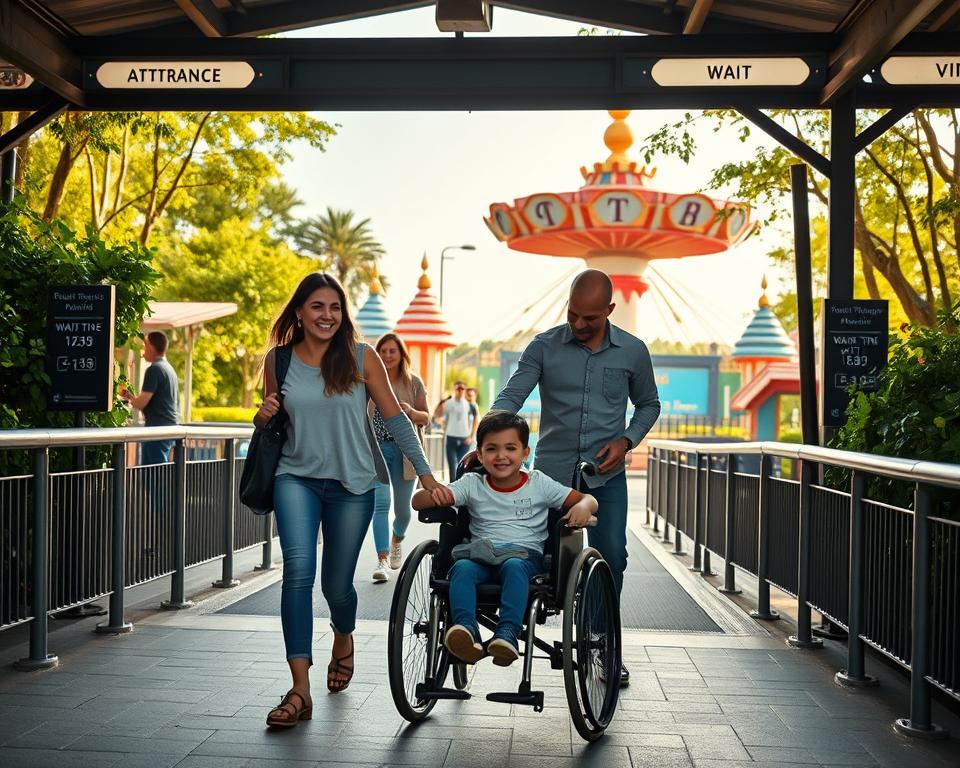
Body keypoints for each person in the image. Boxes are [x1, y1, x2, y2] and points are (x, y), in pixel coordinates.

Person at [255, 273, 441, 728]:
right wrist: (261, 415)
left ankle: (344, 634)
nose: (327, 316)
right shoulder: (277, 361)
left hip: (354, 485)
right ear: (299, 311)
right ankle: (299, 690)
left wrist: (427, 475)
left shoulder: (362, 358)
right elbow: (272, 420)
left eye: (335, 307)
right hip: (293, 477)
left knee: (336, 586)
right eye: (317, 307)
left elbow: (397, 421)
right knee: (298, 571)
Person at [491, 269, 661, 687]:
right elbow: (512, 396)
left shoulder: (633, 351)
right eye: (573, 315)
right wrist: (489, 437)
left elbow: (649, 404)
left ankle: (602, 642)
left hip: (607, 477)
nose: (580, 325)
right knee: (543, 559)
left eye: (590, 318)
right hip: (552, 476)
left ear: (609, 310)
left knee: (613, 557)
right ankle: (520, 627)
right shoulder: (544, 347)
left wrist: (626, 441)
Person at [413, 410, 597, 666]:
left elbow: (589, 500)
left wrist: (582, 507)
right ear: (479, 454)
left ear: (525, 453)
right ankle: (466, 632)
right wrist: (435, 495)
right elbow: (417, 501)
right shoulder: (471, 483)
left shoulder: (539, 483)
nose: (501, 456)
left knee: (513, 568)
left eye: (510, 448)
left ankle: (507, 634)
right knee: (462, 569)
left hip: (523, 557)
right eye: (492, 449)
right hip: (479, 555)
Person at [368, 332, 430, 582]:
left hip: (405, 453)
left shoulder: (413, 382)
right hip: (377, 450)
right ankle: (382, 559)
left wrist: (412, 412)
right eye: (383, 351)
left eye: (392, 351)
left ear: (401, 354)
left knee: (403, 511)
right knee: (380, 505)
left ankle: (397, 539)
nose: (387, 355)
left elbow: (426, 417)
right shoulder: (368, 380)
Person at [120, 330, 179, 465]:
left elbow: (141, 403)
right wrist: (132, 397)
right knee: (159, 473)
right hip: (169, 428)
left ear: (151, 347)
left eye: (145, 346)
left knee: (153, 475)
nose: (143, 351)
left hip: (158, 429)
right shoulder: (169, 369)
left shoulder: (154, 369)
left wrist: (131, 400)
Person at [433, 380, 477, 480]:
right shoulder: (449, 403)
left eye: (462, 388)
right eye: (458, 388)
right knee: (452, 465)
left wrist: (471, 436)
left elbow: (475, 421)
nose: (460, 391)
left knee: (462, 465)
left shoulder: (469, 405)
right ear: (455, 389)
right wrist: (442, 402)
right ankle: (453, 488)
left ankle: (460, 487)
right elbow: (437, 415)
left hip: (464, 439)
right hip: (451, 437)